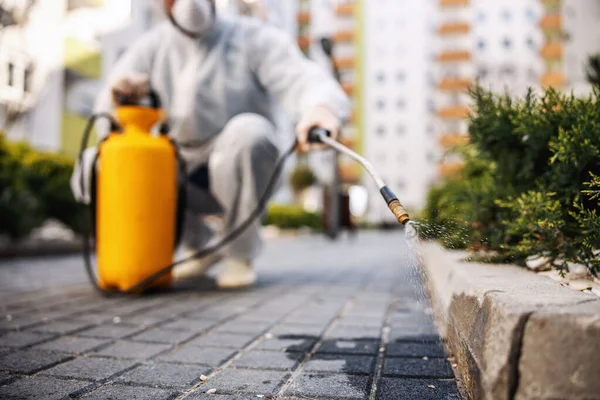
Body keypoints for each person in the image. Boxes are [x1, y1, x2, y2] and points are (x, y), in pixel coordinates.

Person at [70, 0, 351, 289]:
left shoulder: (253, 37)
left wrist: (322, 109)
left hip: (241, 163)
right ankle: (199, 244)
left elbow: (301, 78)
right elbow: (106, 114)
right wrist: (122, 99)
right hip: (179, 170)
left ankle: (239, 254)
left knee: (249, 132)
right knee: (97, 161)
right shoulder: (150, 47)